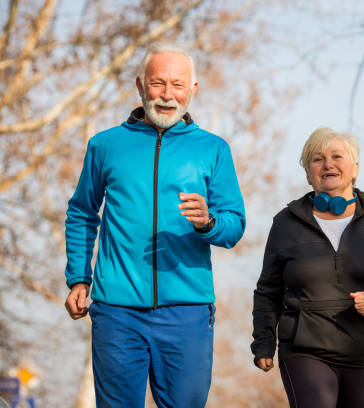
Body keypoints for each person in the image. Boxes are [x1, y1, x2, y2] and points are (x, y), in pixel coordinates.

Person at [64, 42, 245, 407]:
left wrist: (208, 222)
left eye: (177, 85)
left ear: (192, 90)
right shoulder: (105, 145)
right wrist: (79, 277)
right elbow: (82, 212)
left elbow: (234, 226)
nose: (167, 95)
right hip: (117, 310)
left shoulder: (213, 149)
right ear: (140, 86)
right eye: (158, 83)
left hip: (187, 310)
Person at [251, 127, 364, 407]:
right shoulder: (286, 222)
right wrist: (264, 341)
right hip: (305, 349)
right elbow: (268, 291)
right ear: (308, 174)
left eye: (336, 156)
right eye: (317, 158)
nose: (328, 163)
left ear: (354, 169)